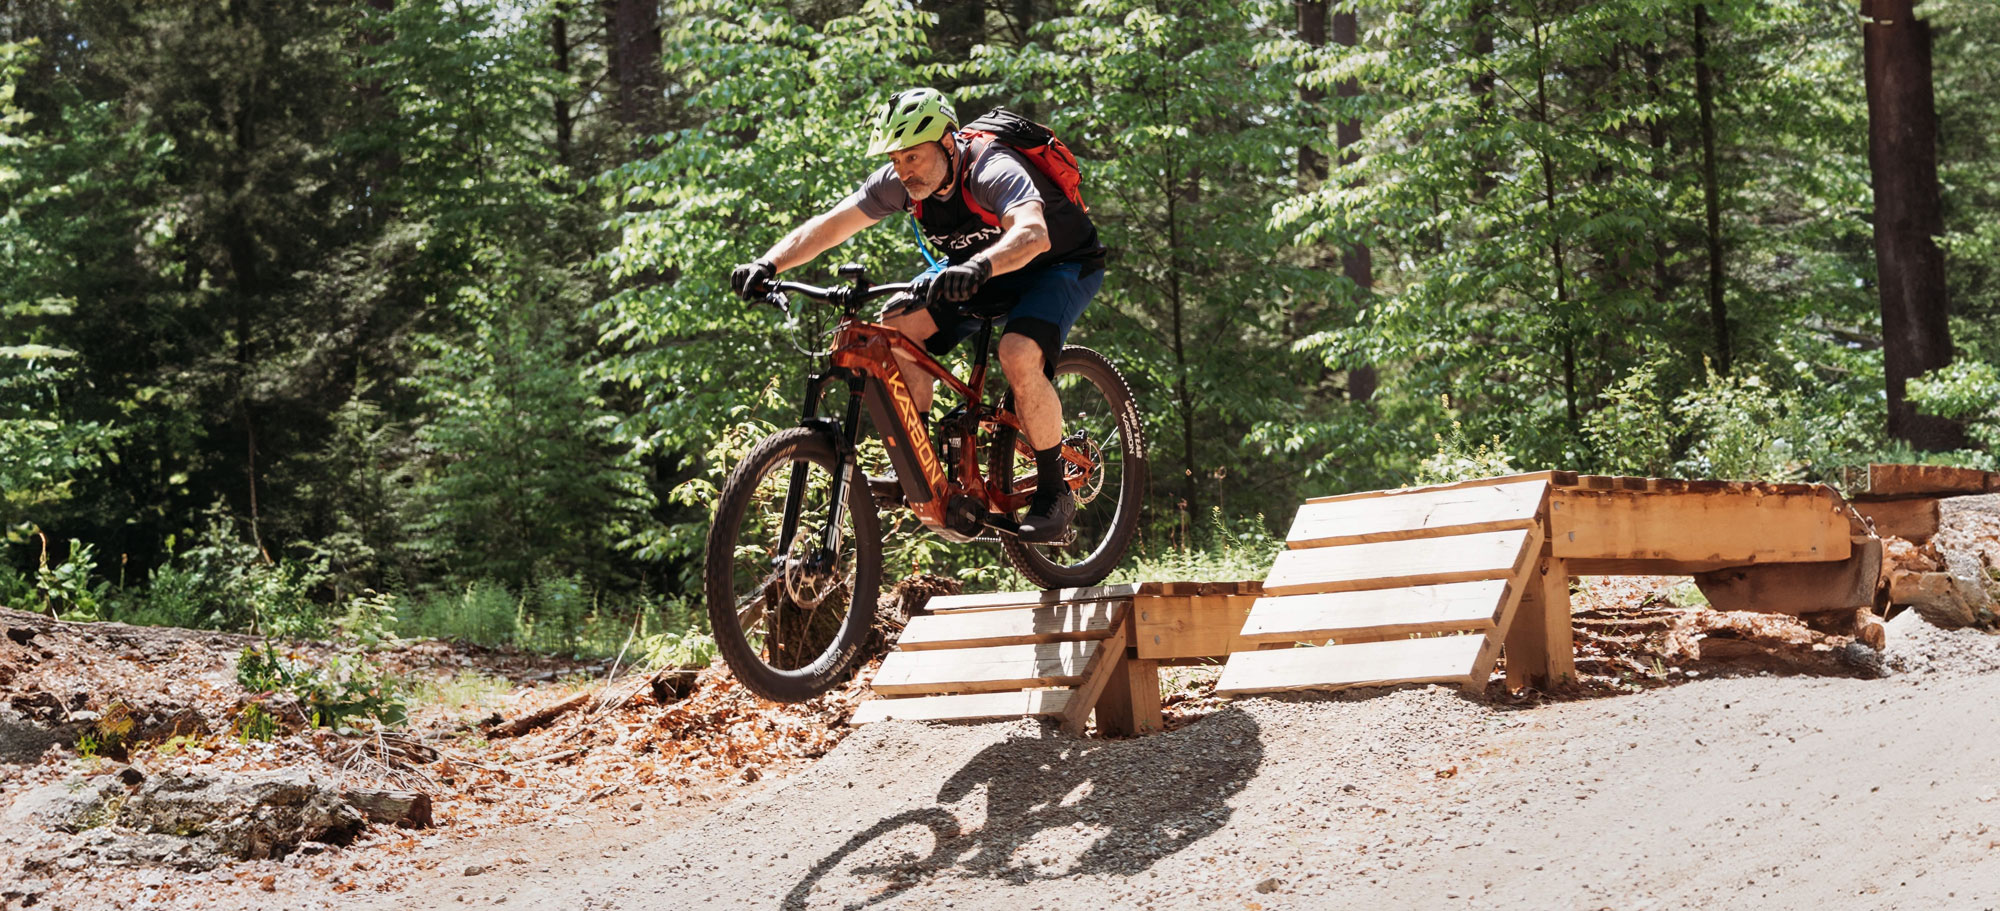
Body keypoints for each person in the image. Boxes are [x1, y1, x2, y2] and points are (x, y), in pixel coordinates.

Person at [730, 87, 1106, 543]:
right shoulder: (900, 185)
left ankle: (1053, 492)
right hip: (982, 269)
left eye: (913, 157)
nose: (903, 170)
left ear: (948, 143)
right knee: (897, 324)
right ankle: (919, 463)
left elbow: (1032, 233)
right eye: (896, 159)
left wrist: (977, 266)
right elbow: (830, 225)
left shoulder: (991, 168)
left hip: (1057, 263)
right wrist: (768, 264)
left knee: (1019, 353)